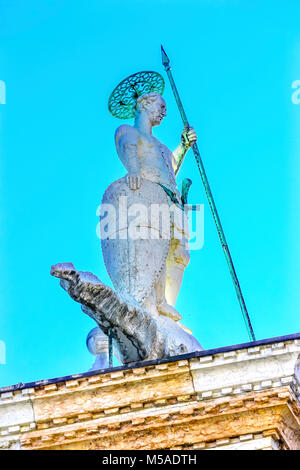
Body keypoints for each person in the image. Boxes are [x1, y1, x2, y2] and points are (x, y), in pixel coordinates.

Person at [113, 92, 197, 322]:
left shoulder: (161, 146)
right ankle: (157, 300)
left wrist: (184, 146)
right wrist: (132, 171)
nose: (164, 111)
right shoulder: (128, 131)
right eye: (161, 106)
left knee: (180, 253)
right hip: (151, 195)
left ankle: (167, 303)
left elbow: (170, 168)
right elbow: (127, 147)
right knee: (157, 245)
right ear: (145, 104)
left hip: (173, 199)